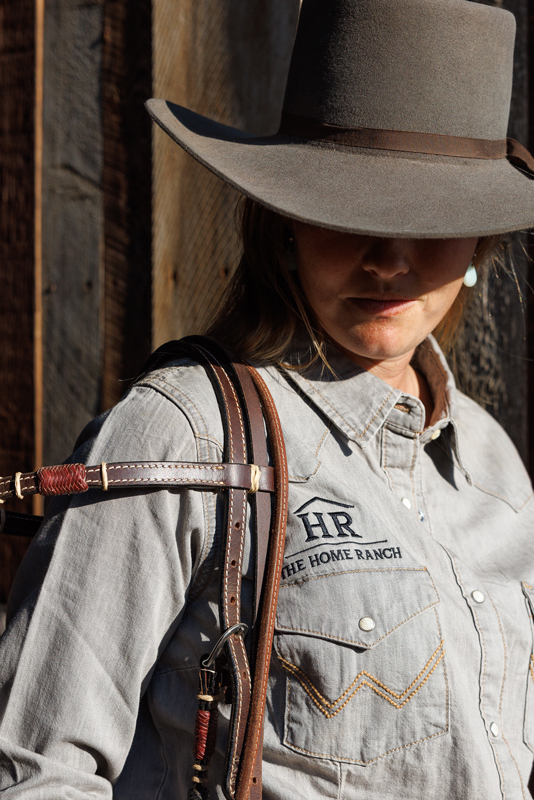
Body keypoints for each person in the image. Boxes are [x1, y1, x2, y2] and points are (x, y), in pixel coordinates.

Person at [2, 0, 534, 798]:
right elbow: (41, 772)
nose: (389, 260)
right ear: (286, 217)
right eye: (349, 210)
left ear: (479, 244)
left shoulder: (493, 467)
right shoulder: (185, 434)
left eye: (432, 220)